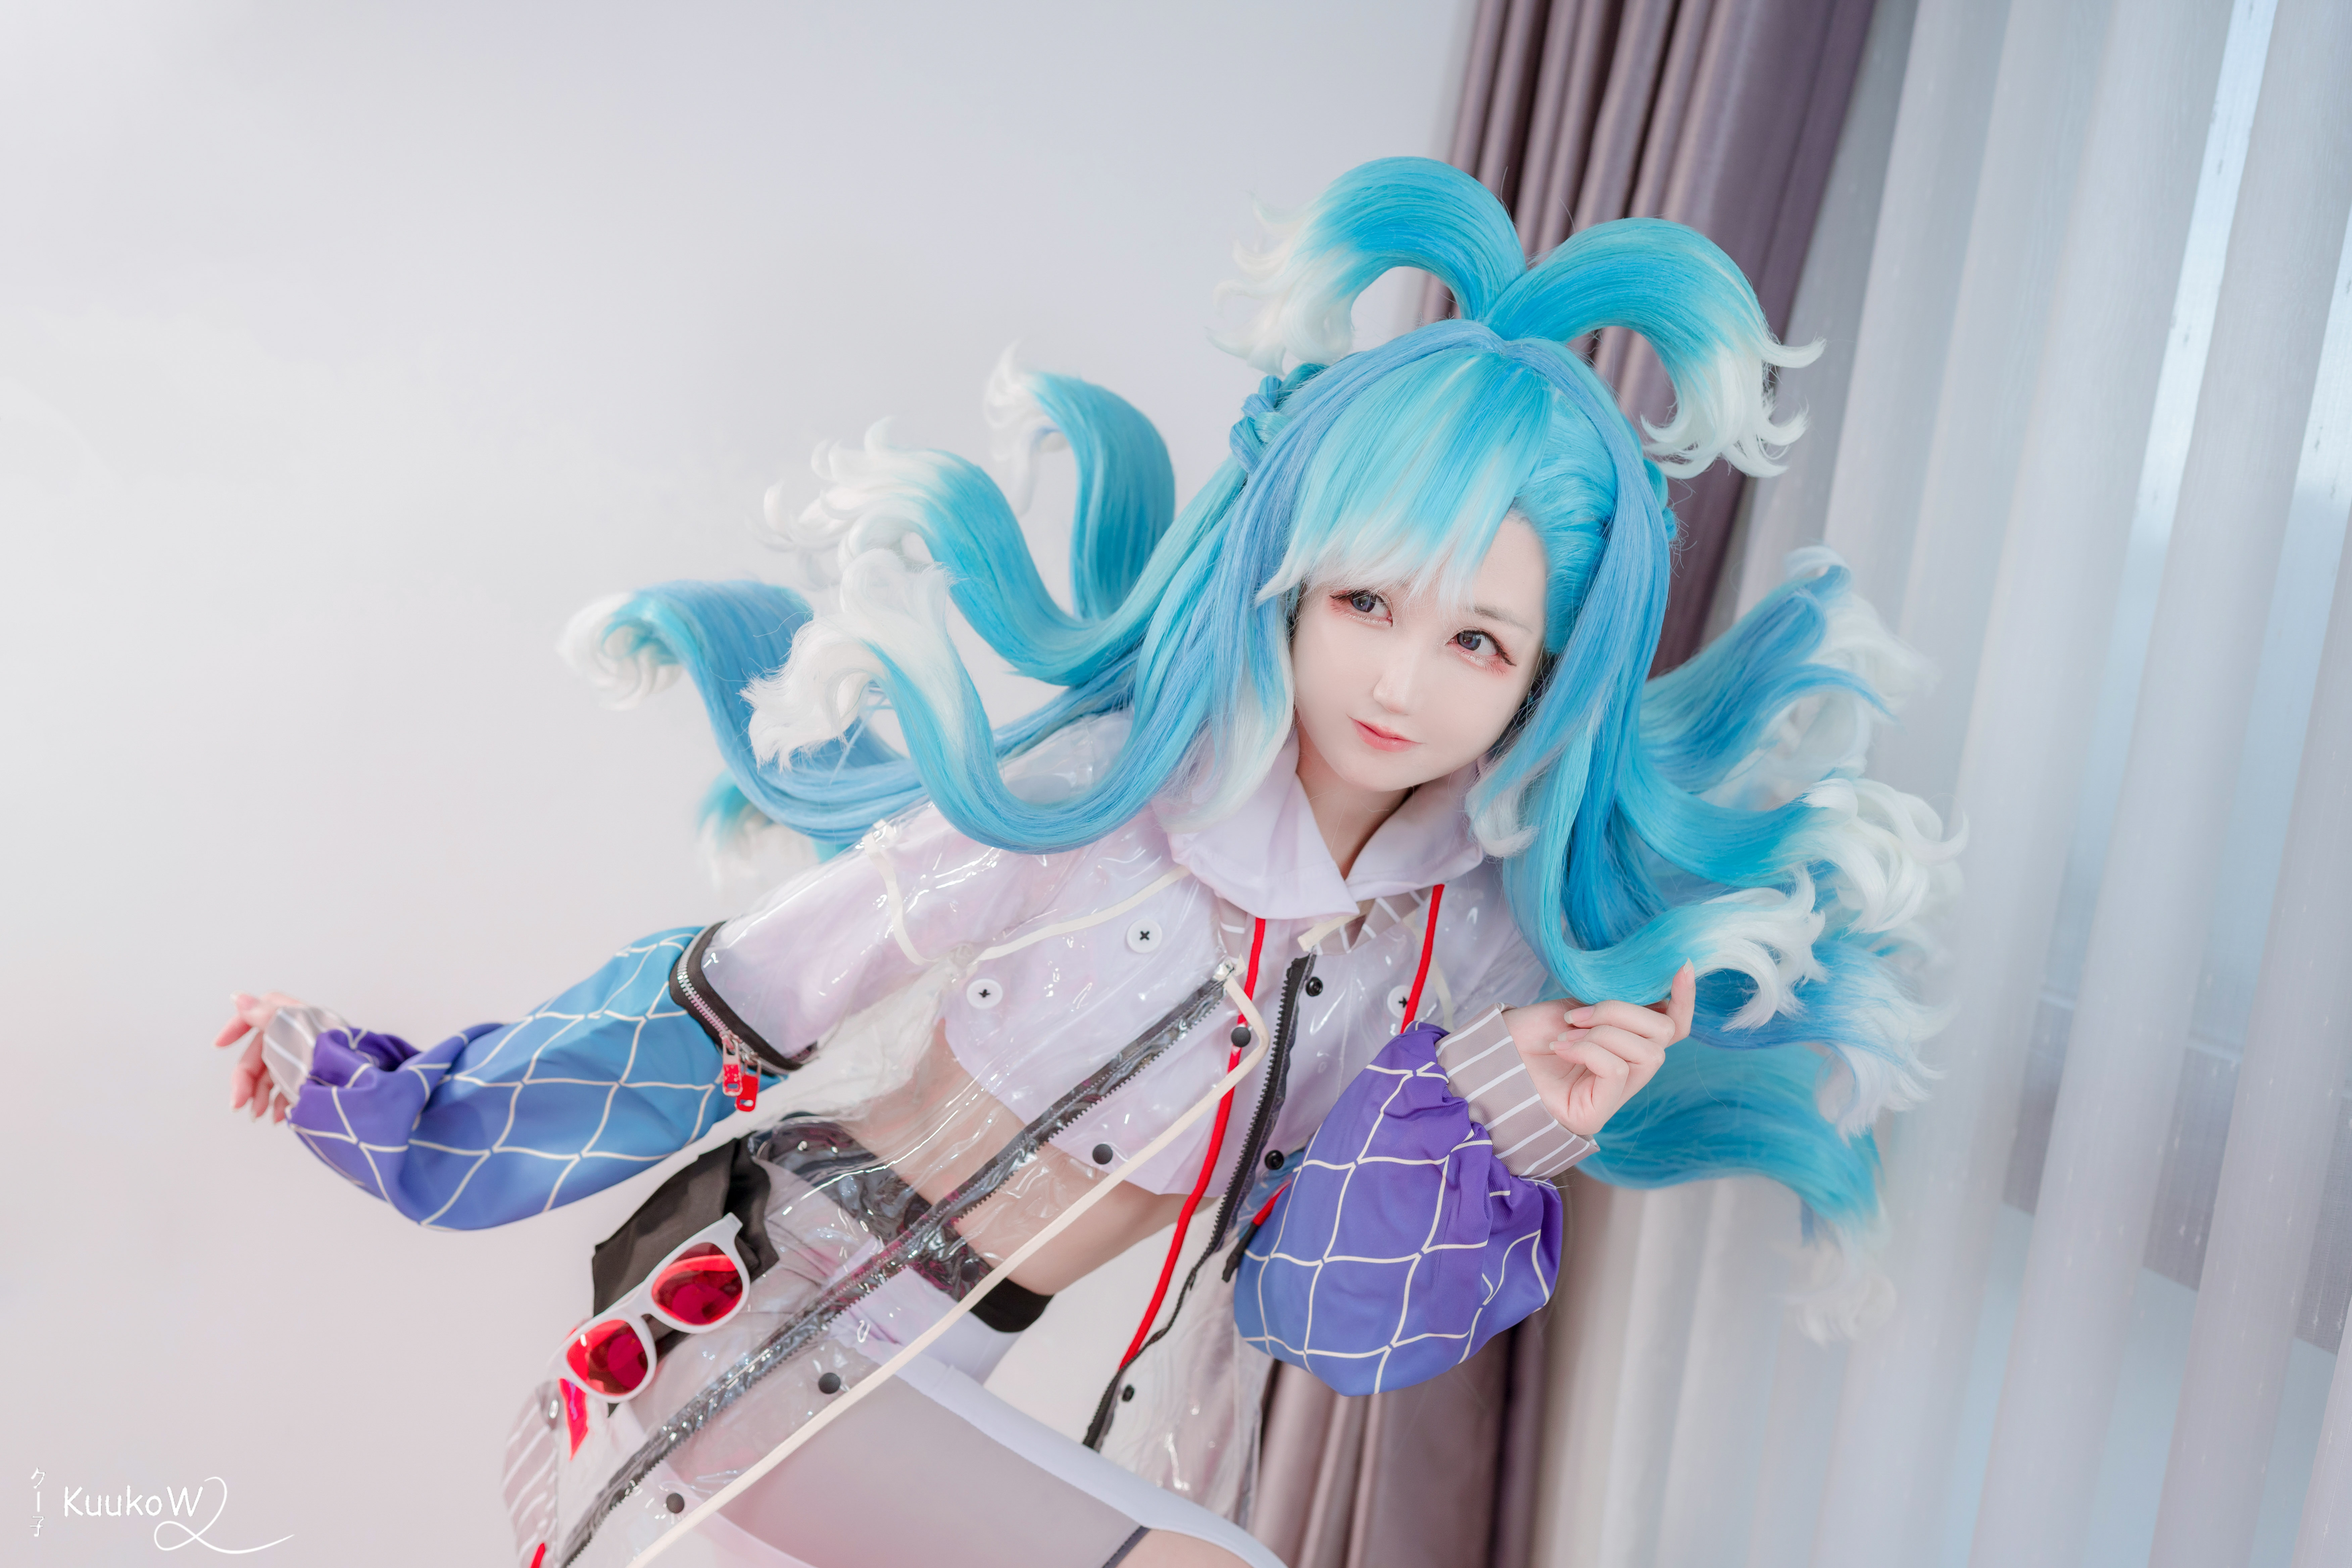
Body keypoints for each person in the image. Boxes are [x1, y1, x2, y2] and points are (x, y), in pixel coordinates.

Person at [213, 158, 1954, 1568]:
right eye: (1369, 600)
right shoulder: (1098, 808)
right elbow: (728, 1005)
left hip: (945, 1396)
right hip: (741, 1322)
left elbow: (1318, 1310)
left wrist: (1514, 1103)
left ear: (1550, 676)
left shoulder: (1466, 946)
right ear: (1292, 578)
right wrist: (396, 1104)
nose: (1403, 684)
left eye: (1479, 643)